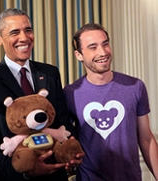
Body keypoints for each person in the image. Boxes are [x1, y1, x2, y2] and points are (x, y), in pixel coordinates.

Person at [0, 8, 84, 181]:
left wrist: (69, 151)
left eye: (28, 30)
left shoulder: (50, 73)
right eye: (15, 32)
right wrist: (26, 170)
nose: (24, 38)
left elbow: (63, 123)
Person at [63, 23, 158, 181]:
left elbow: (146, 139)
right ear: (78, 55)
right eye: (93, 47)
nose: (103, 52)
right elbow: (65, 138)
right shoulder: (70, 93)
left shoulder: (135, 86)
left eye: (105, 44)